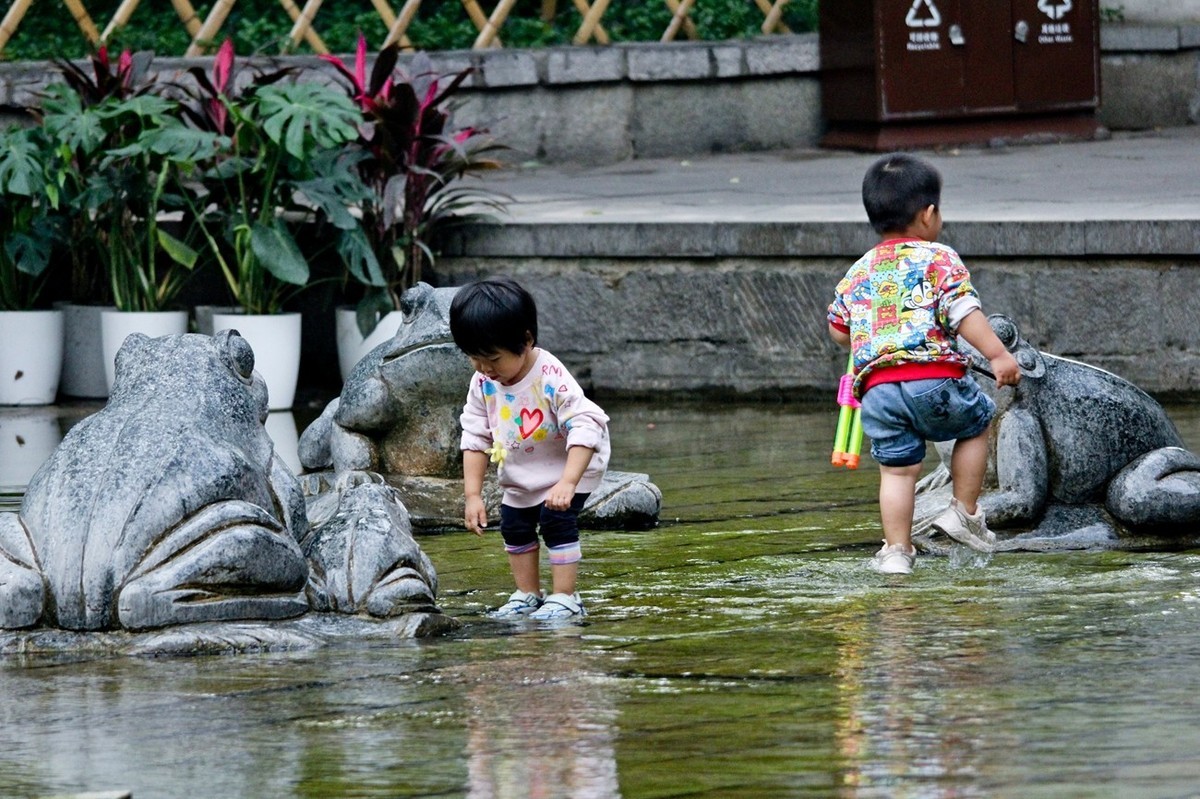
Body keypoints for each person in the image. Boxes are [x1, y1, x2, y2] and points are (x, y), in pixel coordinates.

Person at [827, 153, 1021, 575]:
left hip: (876, 392)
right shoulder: (938, 258)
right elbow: (963, 312)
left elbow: (840, 331)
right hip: (932, 378)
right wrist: (998, 354)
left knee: (898, 472)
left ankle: (896, 552)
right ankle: (964, 513)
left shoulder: (857, 272)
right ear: (928, 214)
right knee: (976, 422)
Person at [451, 276, 610, 619]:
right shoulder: (484, 382)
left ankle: (566, 597)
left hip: (571, 462)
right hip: (524, 468)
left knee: (555, 519)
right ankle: (528, 593)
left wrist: (568, 482)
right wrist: (473, 495)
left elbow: (586, 425)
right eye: (473, 358)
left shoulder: (550, 375)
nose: (483, 368)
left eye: (492, 358)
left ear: (526, 340)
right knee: (514, 523)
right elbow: (475, 435)